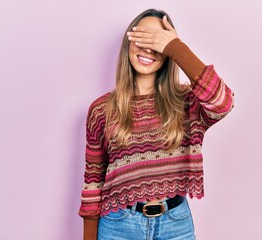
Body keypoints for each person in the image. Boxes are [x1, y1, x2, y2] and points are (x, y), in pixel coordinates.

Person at [78, 8, 235, 240]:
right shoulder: (102, 110)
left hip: (175, 225)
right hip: (118, 226)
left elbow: (222, 102)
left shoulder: (187, 102)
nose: (148, 48)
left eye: (158, 42)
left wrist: (176, 47)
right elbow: (92, 181)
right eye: (142, 38)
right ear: (128, 44)